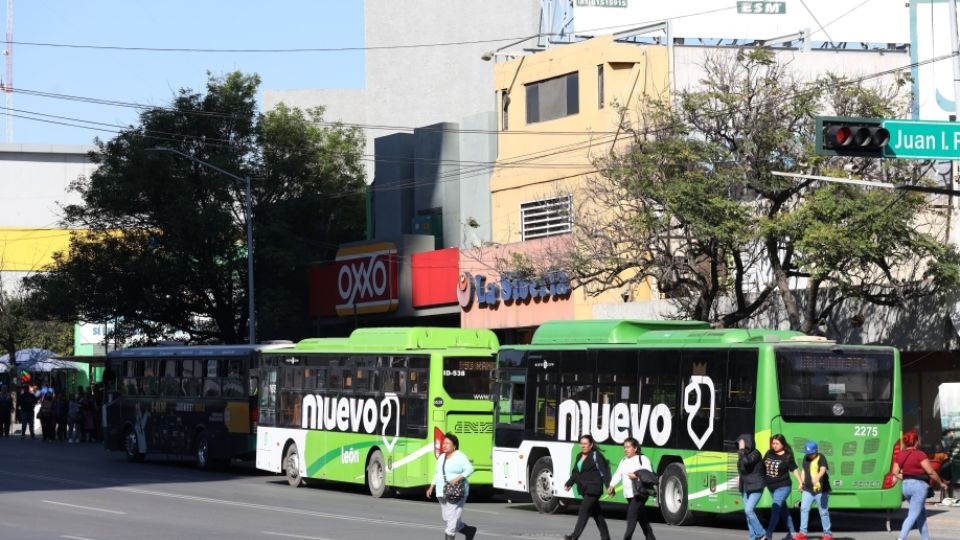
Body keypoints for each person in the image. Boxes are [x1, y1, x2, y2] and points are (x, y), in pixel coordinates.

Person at [892, 431, 948, 540]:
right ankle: (901, 538)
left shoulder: (900, 455)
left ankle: (926, 538)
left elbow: (895, 472)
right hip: (918, 487)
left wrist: (908, 477)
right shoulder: (919, 454)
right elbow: (930, 472)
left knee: (921, 515)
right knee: (913, 515)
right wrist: (941, 483)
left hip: (905, 486)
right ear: (915, 441)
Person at [426, 432, 477, 540]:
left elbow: (470, 469)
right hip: (442, 492)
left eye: (448, 443)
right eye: (444, 443)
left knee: (451, 521)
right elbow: (437, 472)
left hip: (456, 492)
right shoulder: (441, 457)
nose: (444, 445)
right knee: (448, 518)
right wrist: (431, 486)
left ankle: (450, 535)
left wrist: (457, 478)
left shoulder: (460, 456)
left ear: (454, 446)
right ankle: (469, 530)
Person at [563, 434, 612, 540]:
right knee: (597, 515)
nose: (583, 446)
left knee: (583, 511)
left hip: (594, 489)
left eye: (585, 444)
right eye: (582, 444)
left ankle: (574, 537)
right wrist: (569, 483)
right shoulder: (579, 456)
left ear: (591, 445)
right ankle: (606, 537)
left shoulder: (596, 455)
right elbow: (576, 473)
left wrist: (608, 486)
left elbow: (604, 472)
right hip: (585, 489)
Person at [607, 437, 655, 540]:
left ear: (635, 448)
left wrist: (637, 476)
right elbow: (618, 474)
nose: (626, 449)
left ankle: (626, 538)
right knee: (642, 519)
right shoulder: (623, 460)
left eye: (628, 447)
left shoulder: (642, 459)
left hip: (640, 493)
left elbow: (649, 475)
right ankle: (651, 538)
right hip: (629, 494)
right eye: (625, 447)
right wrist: (611, 485)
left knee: (631, 515)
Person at [764, 434, 802, 540]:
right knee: (784, 511)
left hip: (783, 487)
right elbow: (763, 466)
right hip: (771, 487)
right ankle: (793, 534)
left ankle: (768, 534)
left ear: (783, 444)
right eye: (773, 443)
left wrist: (800, 482)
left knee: (775, 508)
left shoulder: (787, 455)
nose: (774, 445)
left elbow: (794, 469)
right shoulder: (769, 452)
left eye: (777, 443)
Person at [795, 441, 832, 540]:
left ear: (816, 451)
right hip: (808, 489)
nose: (809, 455)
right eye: (808, 453)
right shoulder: (806, 457)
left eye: (811, 453)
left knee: (823, 512)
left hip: (822, 490)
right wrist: (801, 483)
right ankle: (803, 533)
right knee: (804, 509)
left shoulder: (821, 457)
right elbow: (803, 470)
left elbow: (823, 469)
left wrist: (817, 477)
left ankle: (827, 534)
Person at [737, 434, 766, 540]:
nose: (739, 446)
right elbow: (742, 469)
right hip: (745, 486)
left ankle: (761, 533)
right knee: (748, 514)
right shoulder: (742, 454)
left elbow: (747, 462)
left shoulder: (756, 453)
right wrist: (739, 479)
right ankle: (752, 537)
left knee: (749, 510)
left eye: (742, 443)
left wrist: (742, 449)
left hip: (756, 486)